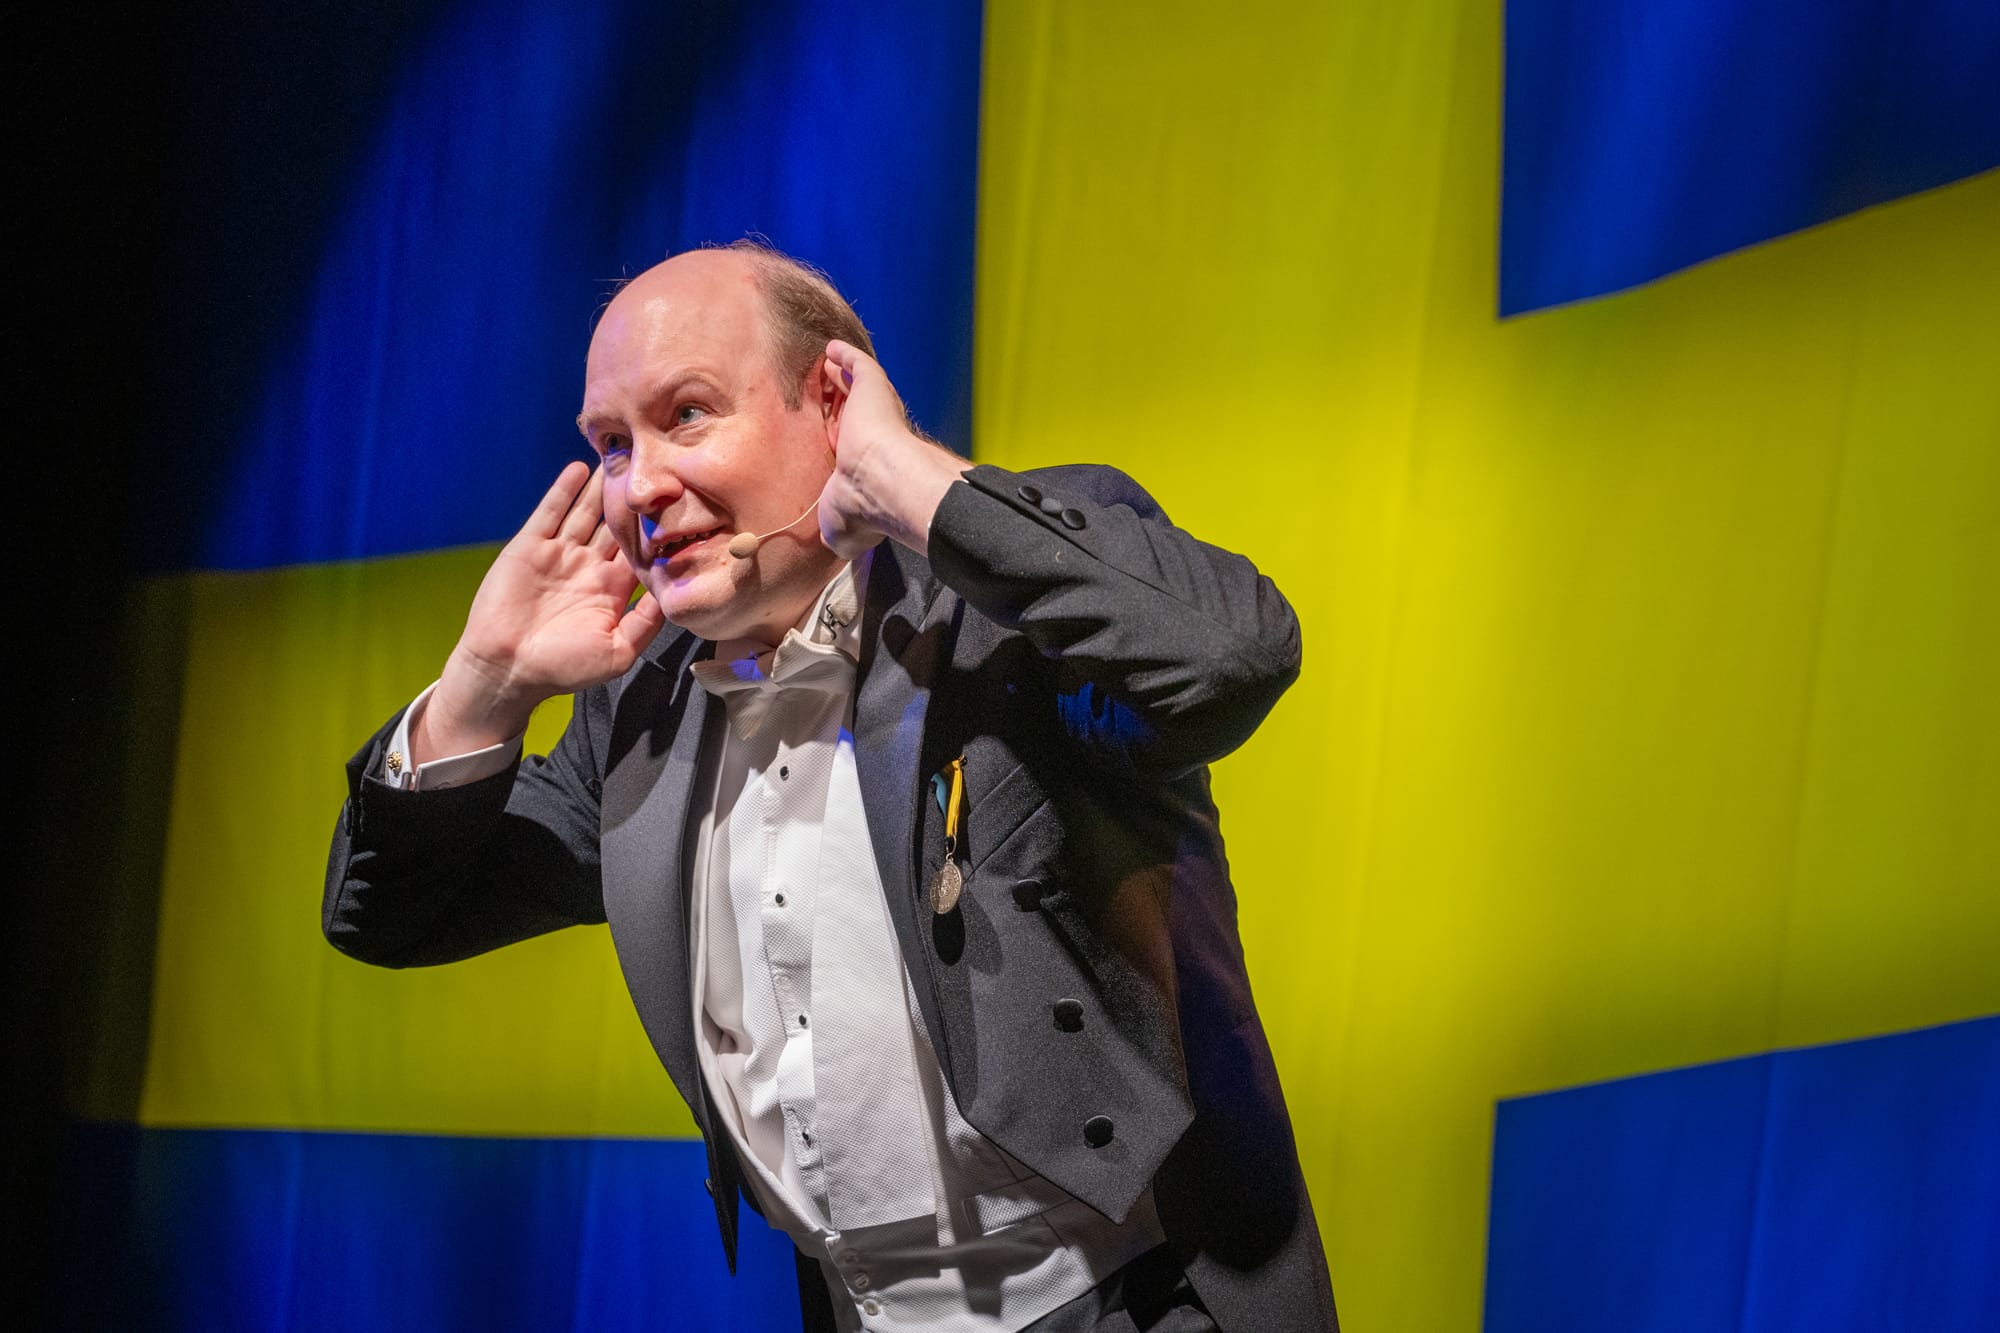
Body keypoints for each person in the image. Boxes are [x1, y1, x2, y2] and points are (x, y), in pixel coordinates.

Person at [325, 241, 1338, 1332]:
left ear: (830, 401)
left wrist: (908, 479)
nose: (641, 486)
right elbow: (386, 913)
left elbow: (1231, 658)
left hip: (1139, 1300)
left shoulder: (1003, 603)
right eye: (611, 445)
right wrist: (485, 683)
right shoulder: (638, 708)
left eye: (687, 415)